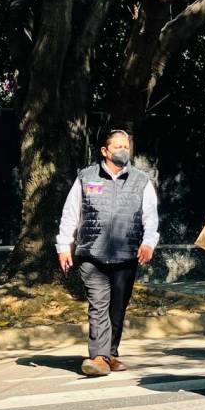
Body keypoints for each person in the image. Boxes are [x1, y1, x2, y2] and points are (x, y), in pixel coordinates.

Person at [57, 130, 159, 377]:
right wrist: (63, 245)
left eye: (127, 146)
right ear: (105, 151)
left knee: (118, 307)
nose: (123, 150)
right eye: (118, 146)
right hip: (91, 254)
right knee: (98, 304)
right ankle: (99, 357)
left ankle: (111, 352)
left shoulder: (141, 180)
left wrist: (148, 243)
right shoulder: (86, 178)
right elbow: (71, 213)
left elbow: (150, 216)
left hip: (126, 255)